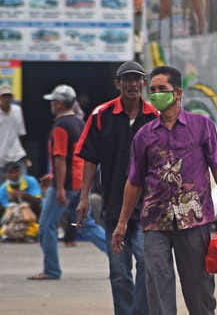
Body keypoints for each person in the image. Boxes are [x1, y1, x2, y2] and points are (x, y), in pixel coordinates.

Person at [111, 66, 217, 315]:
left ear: (178, 92)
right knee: (157, 289)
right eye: (153, 90)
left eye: (162, 89)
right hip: (154, 223)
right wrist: (122, 223)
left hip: (194, 221)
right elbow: (134, 182)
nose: (156, 95)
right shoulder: (144, 135)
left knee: (199, 290)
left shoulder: (201, 126)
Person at [75, 61, 157, 315]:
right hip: (113, 205)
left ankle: (140, 311)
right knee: (119, 271)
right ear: (118, 84)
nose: (133, 84)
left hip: (147, 207)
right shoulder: (101, 115)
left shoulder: (154, 117)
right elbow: (89, 158)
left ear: (143, 83)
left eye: (137, 79)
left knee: (146, 262)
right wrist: (84, 197)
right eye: (127, 79)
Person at [28, 84, 107, 281]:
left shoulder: (61, 126)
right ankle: (119, 256)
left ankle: (52, 270)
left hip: (67, 185)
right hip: (80, 183)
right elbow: (77, 157)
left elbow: (61, 159)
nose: (51, 105)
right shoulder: (79, 123)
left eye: (53, 102)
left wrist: (60, 187)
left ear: (60, 104)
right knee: (87, 224)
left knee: (46, 226)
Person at [0, 161, 41, 241]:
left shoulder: (31, 181)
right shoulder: (3, 188)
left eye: (17, 171)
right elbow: (5, 206)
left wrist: (25, 196)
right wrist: (13, 200)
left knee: (28, 208)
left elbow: (38, 201)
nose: (15, 175)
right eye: (11, 172)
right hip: (12, 215)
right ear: (6, 175)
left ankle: (34, 231)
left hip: (30, 212)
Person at [0, 84, 28, 182]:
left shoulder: (17, 110)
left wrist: (25, 156)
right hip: (1, 159)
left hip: (17, 155)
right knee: (4, 191)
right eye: (4, 96)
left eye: (9, 96)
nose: (7, 99)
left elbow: (21, 134)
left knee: (23, 185)